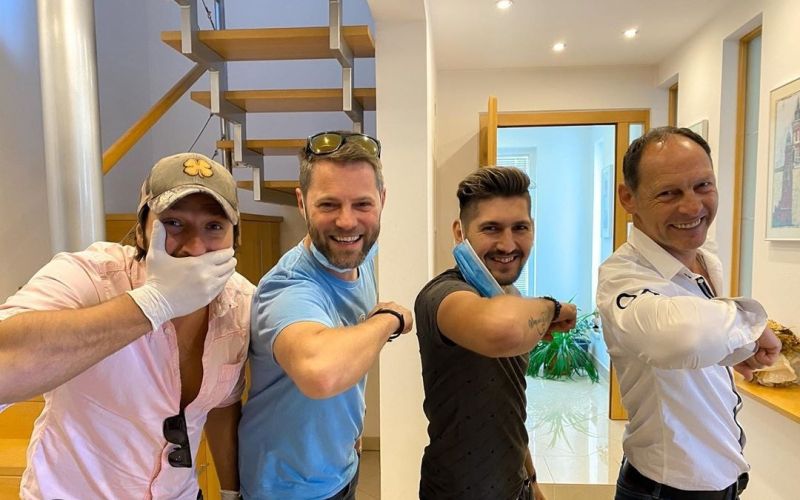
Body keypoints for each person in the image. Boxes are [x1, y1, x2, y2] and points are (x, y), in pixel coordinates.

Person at [0, 152, 252, 499]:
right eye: (174, 223)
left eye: (214, 227)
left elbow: (223, 404)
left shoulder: (240, 304)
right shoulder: (90, 278)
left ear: (234, 239)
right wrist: (153, 303)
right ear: (141, 232)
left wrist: (230, 493)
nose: (196, 248)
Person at [596, 126, 782, 500]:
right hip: (666, 490)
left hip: (722, 481)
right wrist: (750, 321)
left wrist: (737, 348)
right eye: (669, 193)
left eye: (703, 186)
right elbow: (680, 338)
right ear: (628, 198)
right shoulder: (621, 276)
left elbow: (697, 336)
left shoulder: (705, 258)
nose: (693, 207)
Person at [239, 131, 413, 499]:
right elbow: (321, 373)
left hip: (341, 468)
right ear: (302, 203)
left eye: (362, 204)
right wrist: (389, 319)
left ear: (382, 200)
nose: (347, 222)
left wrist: (349, 430)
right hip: (287, 490)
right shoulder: (287, 288)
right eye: (329, 205)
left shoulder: (358, 254)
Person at [414, 166, 577, 500]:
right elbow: (499, 329)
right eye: (491, 228)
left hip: (515, 487)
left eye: (520, 228)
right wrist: (554, 308)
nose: (508, 244)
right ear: (460, 232)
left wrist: (531, 479)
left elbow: (509, 405)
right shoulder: (441, 296)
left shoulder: (510, 297)